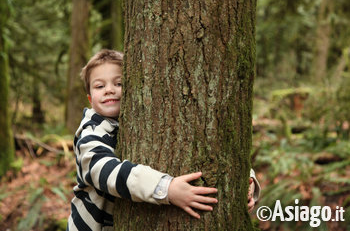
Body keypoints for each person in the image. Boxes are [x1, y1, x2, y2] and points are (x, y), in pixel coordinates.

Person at [67, 49, 260, 231]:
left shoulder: (137, 120)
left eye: (119, 83)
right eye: (100, 86)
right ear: (90, 99)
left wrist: (246, 182)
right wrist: (165, 188)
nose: (110, 90)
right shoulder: (90, 132)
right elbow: (104, 170)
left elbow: (222, 146)